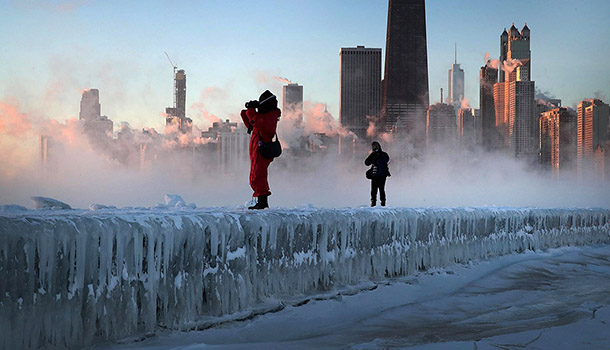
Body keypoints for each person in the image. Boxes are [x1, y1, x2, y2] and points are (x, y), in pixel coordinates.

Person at [240, 90, 280, 209]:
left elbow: (256, 122)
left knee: (258, 175)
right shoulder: (264, 116)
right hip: (257, 150)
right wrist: (248, 109)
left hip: (262, 150)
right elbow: (250, 123)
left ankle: (262, 202)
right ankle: (261, 201)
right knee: (255, 174)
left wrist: (252, 110)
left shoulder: (270, 118)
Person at [364, 141, 390, 207]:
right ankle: (378, 202)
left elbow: (367, 162)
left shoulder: (381, 155)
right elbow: (367, 162)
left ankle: (378, 202)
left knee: (378, 189)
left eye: (375, 146)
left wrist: (374, 158)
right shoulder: (380, 154)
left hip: (379, 175)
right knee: (376, 189)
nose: (374, 147)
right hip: (377, 175)